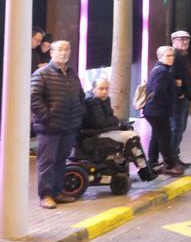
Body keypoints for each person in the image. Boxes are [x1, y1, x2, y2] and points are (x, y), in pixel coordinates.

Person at [30, 40, 86, 209]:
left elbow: (80, 95)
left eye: (67, 50)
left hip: (69, 126)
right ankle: (45, 195)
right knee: (47, 162)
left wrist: (80, 112)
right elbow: (34, 98)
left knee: (61, 160)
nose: (64, 53)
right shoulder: (42, 73)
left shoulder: (71, 73)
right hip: (49, 127)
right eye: (60, 50)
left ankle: (57, 191)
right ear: (51, 53)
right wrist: (47, 116)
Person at [82, 77, 155, 182]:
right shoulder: (91, 101)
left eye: (107, 89)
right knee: (132, 137)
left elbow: (110, 118)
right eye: (101, 88)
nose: (104, 91)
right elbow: (101, 122)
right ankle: (144, 170)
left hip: (103, 131)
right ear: (94, 89)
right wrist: (119, 124)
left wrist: (121, 124)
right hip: (95, 135)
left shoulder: (104, 100)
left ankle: (141, 168)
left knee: (132, 134)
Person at [142, 45, 185, 176]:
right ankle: (170, 165)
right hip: (158, 111)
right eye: (167, 56)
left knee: (157, 136)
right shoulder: (162, 71)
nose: (171, 58)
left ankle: (153, 162)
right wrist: (169, 103)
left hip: (154, 111)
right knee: (165, 138)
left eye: (172, 56)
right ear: (160, 57)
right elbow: (159, 91)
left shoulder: (161, 69)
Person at [169, 30, 191, 167]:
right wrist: (179, 91)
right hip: (178, 100)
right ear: (173, 41)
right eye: (181, 39)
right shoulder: (175, 56)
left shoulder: (183, 55)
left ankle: (175, 156)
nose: (185, 42)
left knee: (180, 128)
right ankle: (172, 159)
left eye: (187, 39)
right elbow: (173, 78)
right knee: (176, 128)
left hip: (184, 98)